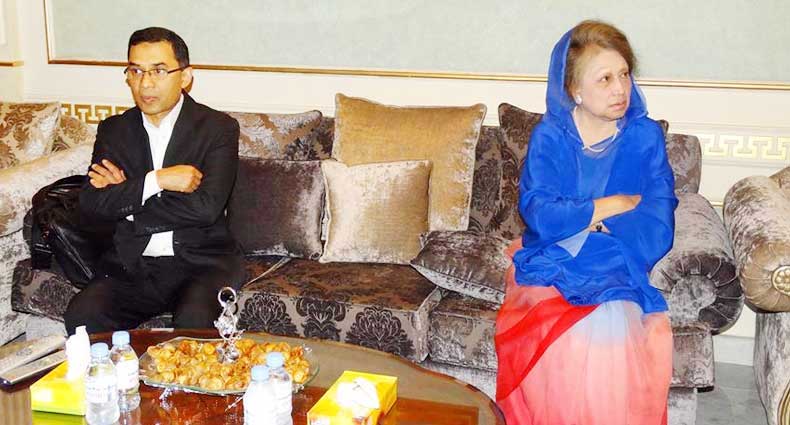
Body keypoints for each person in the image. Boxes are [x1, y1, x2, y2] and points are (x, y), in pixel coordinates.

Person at [494, 21, 677, 425]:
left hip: (617, 260)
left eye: (625, 74)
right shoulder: (550, 137)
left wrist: (586, 219)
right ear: (575, 89)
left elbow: (659, 220)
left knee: (608, 330)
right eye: (605, 79)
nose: (620, 89)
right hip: (553, 256)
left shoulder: (645, 137)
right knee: (559, 335)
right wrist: (614, 205)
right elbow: (539, 212)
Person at [63, 27, 244, 334]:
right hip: (132, 265)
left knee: (194, 325)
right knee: (82, 317)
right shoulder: (114, 130)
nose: (145, 83)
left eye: (159, 71)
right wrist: (156, 180)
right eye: (136, 71)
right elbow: (92, 204)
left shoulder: (218, 128)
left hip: (202, 264)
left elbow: (205, 208)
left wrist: (128, 202)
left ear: (185, 76)